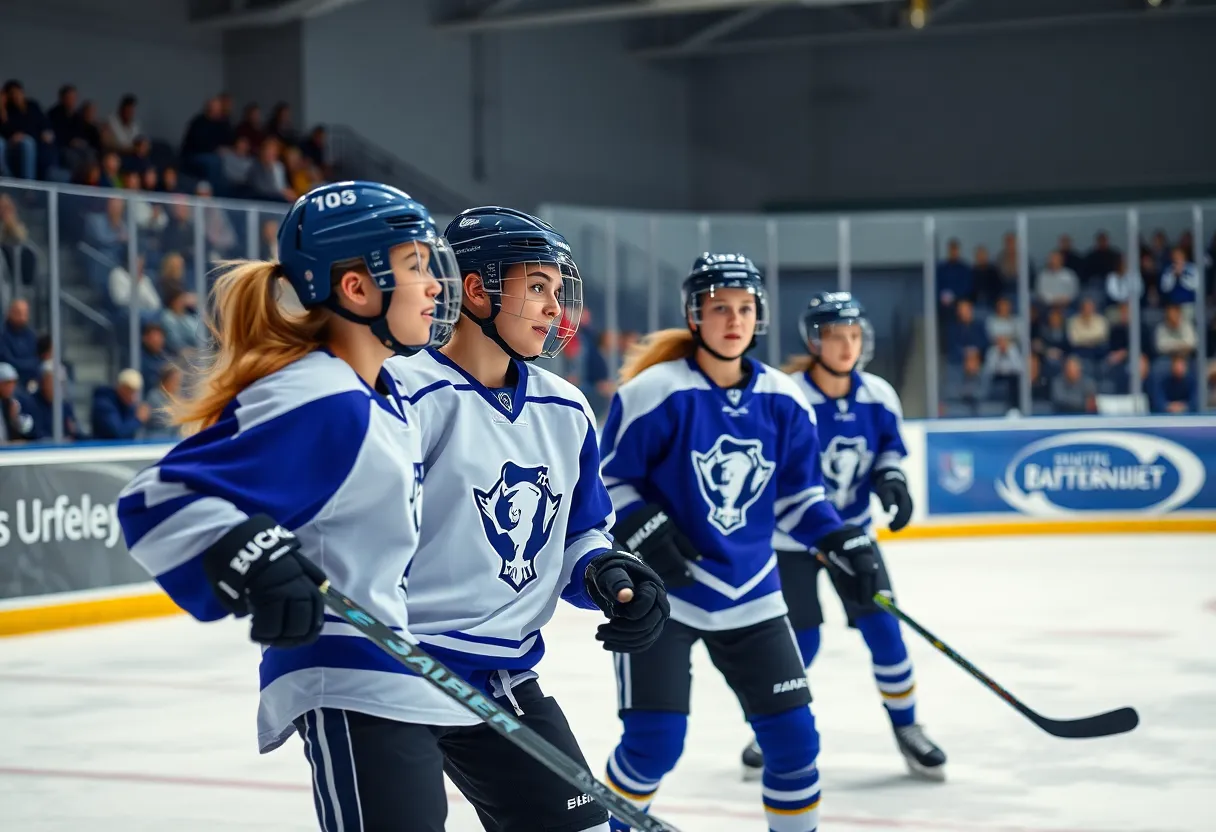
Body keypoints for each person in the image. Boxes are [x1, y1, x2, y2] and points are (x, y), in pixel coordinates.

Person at [115, 181, 478, 831]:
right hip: (347, 678)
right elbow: (156, 500)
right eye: (416, 266)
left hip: (392, 675)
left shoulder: (382, 391)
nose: (434, 286)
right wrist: (255, 559)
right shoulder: (324, 398)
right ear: (357, 288)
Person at [380, 205, 670, 832]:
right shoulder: (402, 394)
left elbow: (580, 533)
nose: (553, 309)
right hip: (395, 672)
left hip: (500, 677)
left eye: (556, 290)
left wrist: (607, 574)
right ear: (478, 289)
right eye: (536, 287)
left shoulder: (565, 408)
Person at [597, 253, 880, 832]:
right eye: (719, 307)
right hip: (661, 600)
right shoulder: (654, 393)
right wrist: (646, 529)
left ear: (761, 316)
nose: (733, 319)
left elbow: (799, 498)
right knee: (654, 747)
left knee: (796, 746)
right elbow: (607, 480)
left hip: (752, 595)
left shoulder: (785, 399)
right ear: (695, 315)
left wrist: (840, 538)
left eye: (745, 308)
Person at [739, 291, 947, 782]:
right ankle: (774, 726)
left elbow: (889, 450)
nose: (847, 345)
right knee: (802, 641)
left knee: (886, 633)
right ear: (815, 341)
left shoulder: (878, 394)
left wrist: (891, 478)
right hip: (793, 540)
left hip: (851, 536)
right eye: (836, 337)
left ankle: (908, 728)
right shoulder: (787, 395)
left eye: (854, 336)